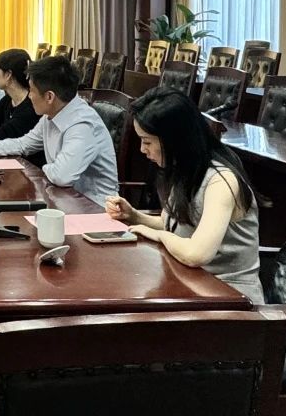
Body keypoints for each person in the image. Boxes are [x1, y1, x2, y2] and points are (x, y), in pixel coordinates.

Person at [105, 87, 263, 304]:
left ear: (174, 140)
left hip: (231, 299)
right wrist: (133, 216)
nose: (142, 149)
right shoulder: (184, 169)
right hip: (190, 285)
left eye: (147, 141)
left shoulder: (221, 182)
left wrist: (160, 236)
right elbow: (172, 225)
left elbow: (197, 254)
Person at [0, 55, 119, 203]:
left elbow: (61, 177)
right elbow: (23, 144)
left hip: (94, 206)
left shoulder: (82, 125)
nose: (29, 96)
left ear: (49, 97)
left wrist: (42, 168)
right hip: (62, 197)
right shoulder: (52, 113)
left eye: (31, 91)